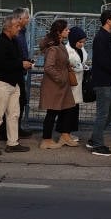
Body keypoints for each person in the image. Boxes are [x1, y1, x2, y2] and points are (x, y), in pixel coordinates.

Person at [0, 16, 32, 155]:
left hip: (13, 82)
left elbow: (15, 60)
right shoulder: (0, 43)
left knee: (14, 114)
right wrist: (20, 64)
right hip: (1, 83)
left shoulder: (14, 41)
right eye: (17, 26)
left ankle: (13, 142)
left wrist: (25, 62)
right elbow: (0, 64)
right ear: (8, 28)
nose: (19, 28)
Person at [38, 20, 79, 150]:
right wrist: (61, 77)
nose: (69, 31)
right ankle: (46, 139)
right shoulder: (53, 48)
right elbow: (48, 67)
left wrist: (67, 66)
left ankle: (65, 135)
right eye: (66, 29)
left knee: (68, 108)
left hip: (61, 84)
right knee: (52, 111)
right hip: (55, 85)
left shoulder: (59, 45)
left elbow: (58, 63)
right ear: (58, 32)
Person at [88, 10, 111, 156]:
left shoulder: (107, 36)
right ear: (108, 21)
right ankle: (97, 145)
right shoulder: (101, 37)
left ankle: (94, 138)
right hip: (103, 82)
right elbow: (103, 61)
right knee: (102, 113)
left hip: (109, 80)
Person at [10, 8, 35, 137]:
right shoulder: (15, 35)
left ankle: (17, 129)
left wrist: (26, 60)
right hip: (15, 73)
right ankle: (11, 131)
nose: (28, 20)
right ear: (19, 19)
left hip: (20, 71)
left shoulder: (22, 33)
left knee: (20, 101)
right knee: (16, 102)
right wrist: (22, 62)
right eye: (26, 17)